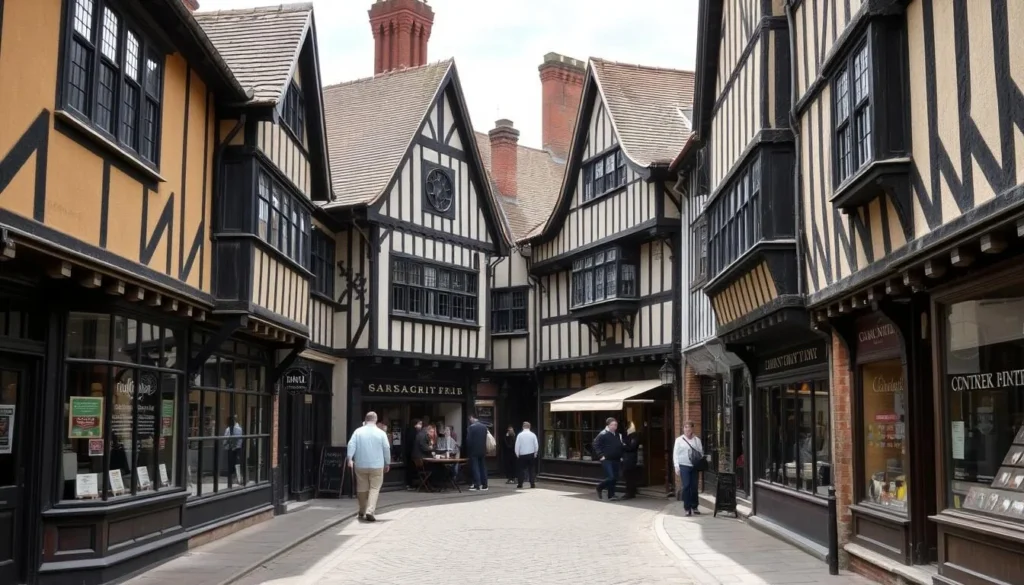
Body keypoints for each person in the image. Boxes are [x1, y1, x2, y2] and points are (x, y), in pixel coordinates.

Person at [347, 411, 391, 522]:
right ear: (376, 420)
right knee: (374, 489)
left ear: (365, 419)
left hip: (361, 464)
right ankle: (370, 511)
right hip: (377, 465)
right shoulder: (381, 433)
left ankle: (362, 510)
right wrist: (387, 462)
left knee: (361, 488)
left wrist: (350, 458)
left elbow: (351, 444)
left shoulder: (358, 431)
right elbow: (386, 448)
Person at [673, 421, 704, 516]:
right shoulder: (679, 440)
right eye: (685, 427)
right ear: (683, 429)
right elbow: (675, 454)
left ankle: (694, 506)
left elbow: (701, 453)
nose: (687, 429)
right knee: (686, 486)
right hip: (683, 465)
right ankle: (687, 508)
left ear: (692, 429)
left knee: (694, 487)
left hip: (694, 466)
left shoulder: (696, 440)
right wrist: (676, 466)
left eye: (689, 427)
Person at [593, 417, 623, 500]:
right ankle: (599, 487)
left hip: (616, 459)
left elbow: (619, 446)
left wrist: (621, 456)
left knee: (615, 478)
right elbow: (595, 444)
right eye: (612, 425)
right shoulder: (603, 434)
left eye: (615, 425)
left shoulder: (618, 435)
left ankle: (611, 495)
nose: (614, 427)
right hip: (606, 459)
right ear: (608, 425)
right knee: (611, 477)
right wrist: (601, 455)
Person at [465, 415, 489, 491]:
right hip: (482, 450)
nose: (470, 420)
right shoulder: (484, 427)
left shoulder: (471, 428)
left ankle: (477, 485)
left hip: (474, 451)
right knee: (483, 467)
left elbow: (468, 440)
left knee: (475, 468)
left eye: (470, 419)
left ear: (473, 418)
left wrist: (469, 450)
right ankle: (485, 485)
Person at [514, 421, 539, 489]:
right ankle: (532, 483)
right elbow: (536, 445)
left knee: (521, 469)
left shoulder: (520, 435)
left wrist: (517, 454)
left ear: (523, 427)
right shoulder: (533, 435)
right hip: (531, 454)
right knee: (531, 469)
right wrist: (535, 453)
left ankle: (520, 484)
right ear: (529, 427)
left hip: (522, 454)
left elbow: (517, 445)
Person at [621, 422, 641, 500]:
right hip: (627, 458)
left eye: (627, 428)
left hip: (630, 459)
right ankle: (631, 492)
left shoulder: (635, 436)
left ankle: (630, 493)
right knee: (628, 476)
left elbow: (632, 447)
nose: (626, 429)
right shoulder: (628, 436)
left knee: (629, 476)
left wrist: (623, 445)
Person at [223, 416, 243, 481]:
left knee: (233, 463)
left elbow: (226, 439)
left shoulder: (232, 429)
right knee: (235, 463)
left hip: (234, 448)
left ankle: (234, 477)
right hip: (236, 448)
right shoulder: (238, 429)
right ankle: (236, 477)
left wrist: (226, 445)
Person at [404, 419, 422, 490]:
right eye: (419, 424)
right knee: (411, 469)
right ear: (415, 424)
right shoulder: (413, 432)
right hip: (412, 453)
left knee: (410, 468)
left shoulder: (411, 431)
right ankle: (410, 484)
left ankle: (410, 484)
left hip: (409, 453)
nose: (421, 426)